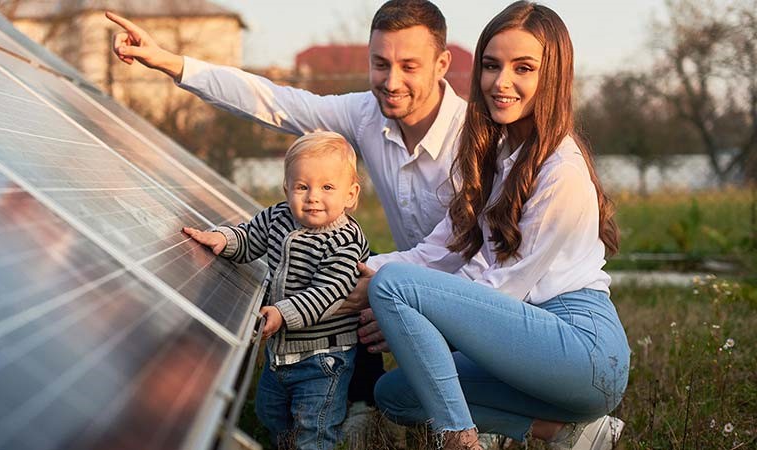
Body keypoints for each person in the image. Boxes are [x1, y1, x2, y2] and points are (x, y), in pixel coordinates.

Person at [107, 0, 469, 431]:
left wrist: (384, 285)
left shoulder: (472, 137)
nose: (391, 81)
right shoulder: (366, 115)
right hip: (408, 280)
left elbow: (464, 248)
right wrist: (169, 62)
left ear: (442, 63)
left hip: (482, 291)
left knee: (358, 282)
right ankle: (354, 405)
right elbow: (274, 101)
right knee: (347, 289)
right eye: (380, 64)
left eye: (409, 66)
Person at [345, 2, 631, 449]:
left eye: (523, 68)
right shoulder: (498, 156)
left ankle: (460, 440)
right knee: (397, 395)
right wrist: (354, 273)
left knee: (396, 289)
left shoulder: (562, 172)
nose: (501, 82)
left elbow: (500, 289)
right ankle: (566, 432)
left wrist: (406, 307)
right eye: (492, 65)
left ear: (552, 76)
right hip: (526, 341)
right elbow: (437, 252)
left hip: (582, 351)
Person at [182, 132, 370, 450]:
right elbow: (249, 237)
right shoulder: (279, 217)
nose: (312, 197)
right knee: (271, 413)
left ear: (350, 194)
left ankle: (331, 435)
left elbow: (328, 293)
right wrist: (224, 240)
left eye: (327, 187)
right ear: (287, 189)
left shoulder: (345, 241)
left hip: (323, 358)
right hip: (280, 353)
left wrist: (282, 312)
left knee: (314, 427)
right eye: (302, 187)